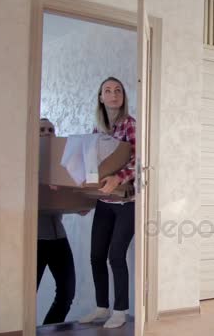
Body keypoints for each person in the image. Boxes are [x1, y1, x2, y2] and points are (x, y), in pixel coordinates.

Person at [79, 77, 136, 329]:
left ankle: (120, 310)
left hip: (126, 201)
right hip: (103, 201)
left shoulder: (130, 125)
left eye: (118, 90)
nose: (114, 95)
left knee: (116, 255)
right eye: (108, 91)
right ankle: (102, 307)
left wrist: (118, 177)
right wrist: (80, 197)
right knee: (95, 255)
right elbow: (91, 169)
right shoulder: (97, 131)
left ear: (123, 96)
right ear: (100, 97)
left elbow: (138, 159)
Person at [37, 118, 76, 325]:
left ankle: (47, 330)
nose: (47, 132)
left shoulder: (62, 164)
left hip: (59, 236)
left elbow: (71, 195)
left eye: (51, 129)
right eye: (42, 129)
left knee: (67, 292)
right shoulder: (28, 162)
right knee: (26, 294)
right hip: (35, 238)